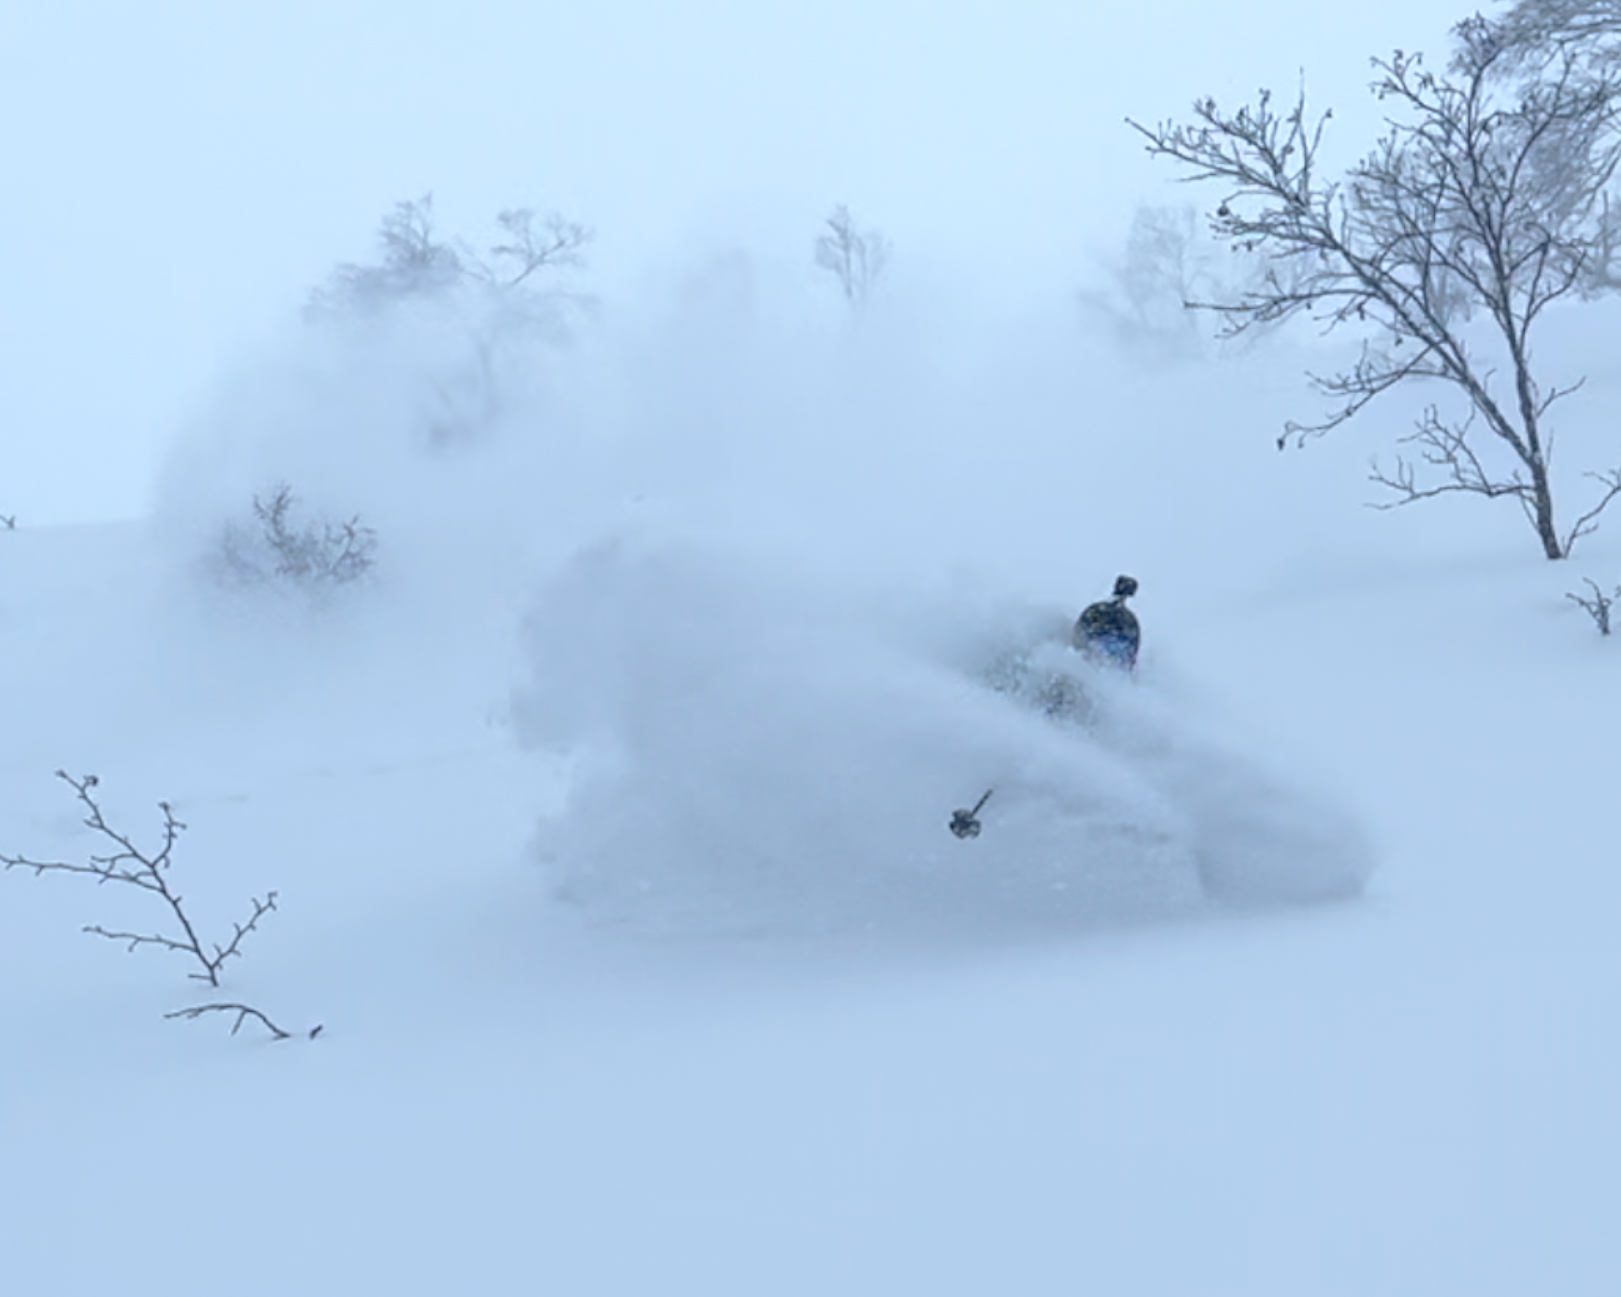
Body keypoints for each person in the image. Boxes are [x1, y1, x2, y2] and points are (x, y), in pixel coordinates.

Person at [1073, 575, 1141, 670]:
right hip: (1105, 664)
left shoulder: (1094, 610)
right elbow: (1130, 656)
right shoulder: (1130, 621)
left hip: (1090, 659)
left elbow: (1077, 634)